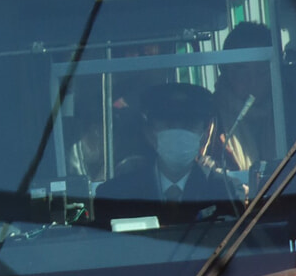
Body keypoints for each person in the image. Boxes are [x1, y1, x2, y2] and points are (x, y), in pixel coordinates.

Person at [93, 80, 232, 219]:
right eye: (169, 125)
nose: (178, 134)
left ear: (205, 135)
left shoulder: (224, 192)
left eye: (189, 125)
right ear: (149, 133)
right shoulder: (114, 196)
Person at [212, 21, 278, 178]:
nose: (252, 81)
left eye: (262, 72)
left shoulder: (291, 113)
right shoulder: (212, 123)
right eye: (242, 71)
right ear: (225, 71)